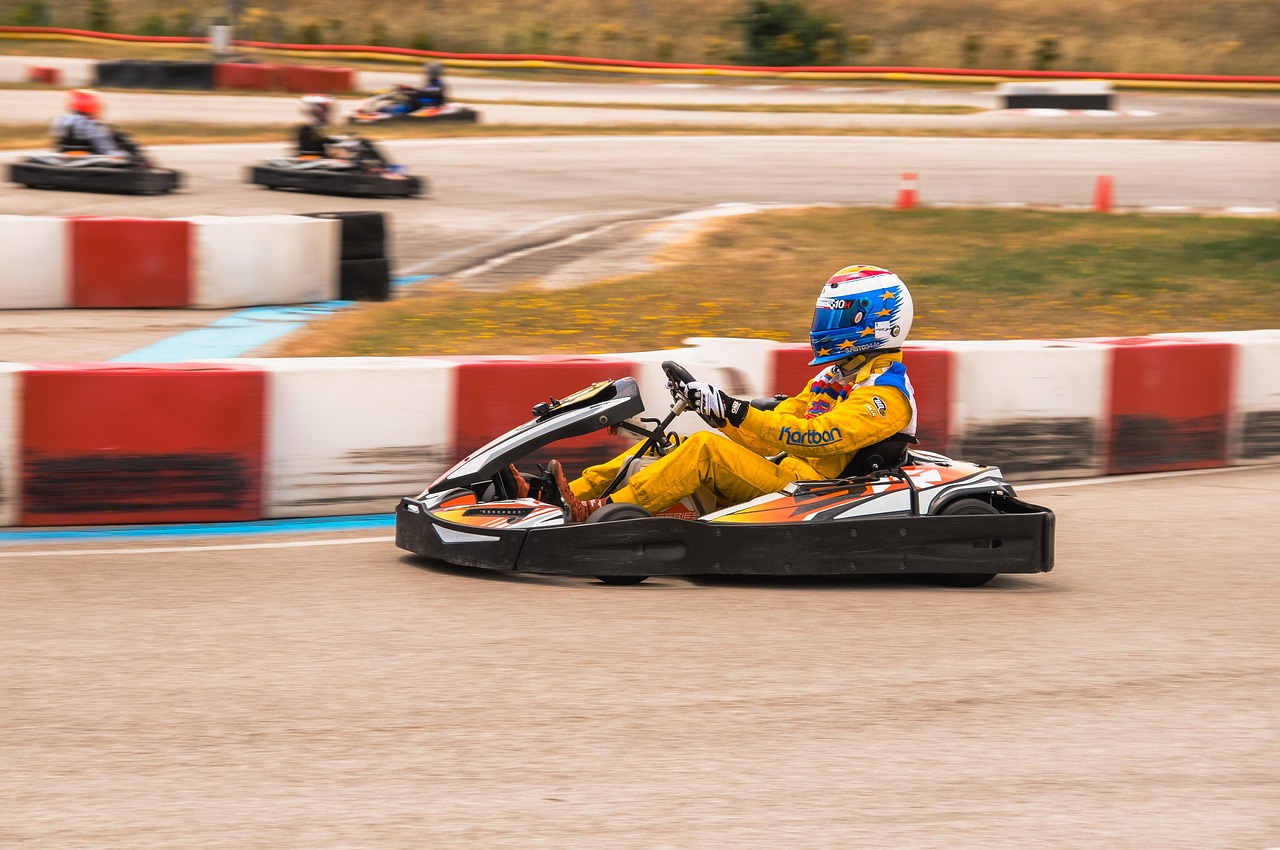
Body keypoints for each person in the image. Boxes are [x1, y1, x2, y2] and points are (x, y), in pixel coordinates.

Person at [521, 265, 919, 521]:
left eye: (838, 316)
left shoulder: (884, 395)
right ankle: (557, 496)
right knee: (672, 443)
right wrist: (718, 413)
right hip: (788, 473)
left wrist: (734, 410)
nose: (825, 326)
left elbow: (814, 438)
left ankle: (597, 515)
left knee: (705, 451)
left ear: (874, 322)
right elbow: (776, 429)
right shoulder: (836, 377)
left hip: (811, 493)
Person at [49, 89, 128, 157]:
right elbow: (106, 151)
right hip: (90, 167)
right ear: (91, 107)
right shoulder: (95, 125)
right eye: (99, 107)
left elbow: (56, 145)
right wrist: (126, 155)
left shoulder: (60, 121)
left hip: (65, 162)